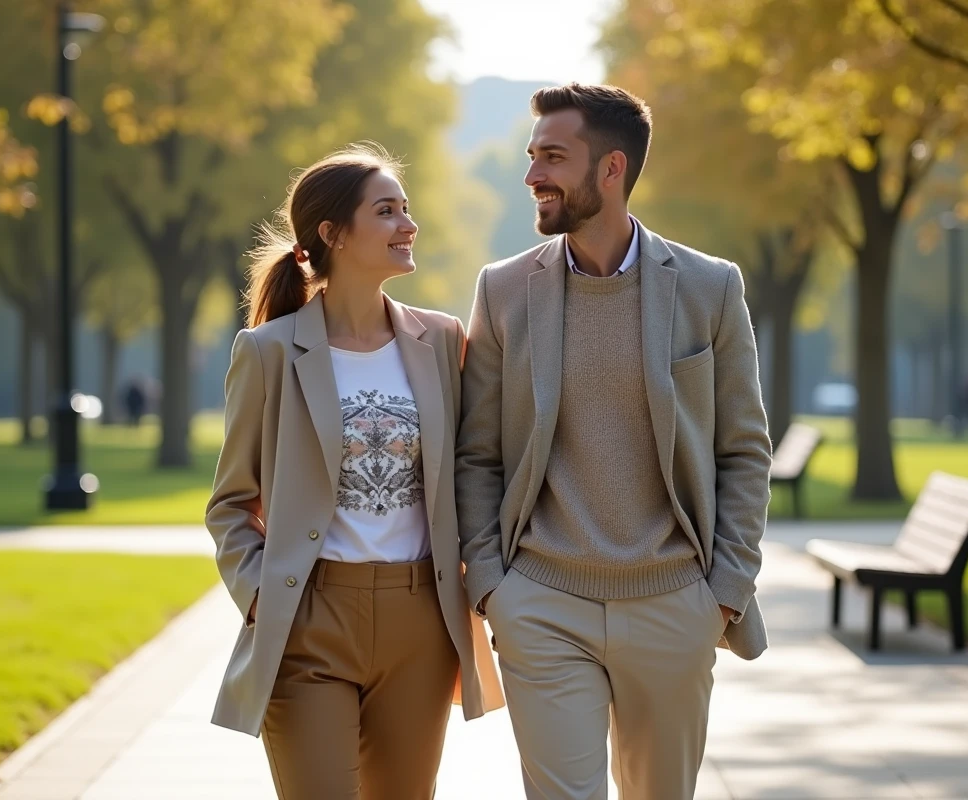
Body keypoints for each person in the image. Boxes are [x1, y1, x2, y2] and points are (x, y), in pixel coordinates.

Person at [456, 84, 773, 799]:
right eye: (533, 156)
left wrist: (724, 591)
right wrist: (492, 586)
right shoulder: (503, 290)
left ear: (611, 169)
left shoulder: (708, 287)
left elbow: (744, 451)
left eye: (553, 157)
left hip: (675, 605)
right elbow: (478, 452)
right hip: (541, 603)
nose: (534, 175)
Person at [205, 143, 503, 800]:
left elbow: (477, 469)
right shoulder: (268, 353)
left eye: (407, 208)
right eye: (387, 211)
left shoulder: (443, 341)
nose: (408, 225)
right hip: (310, 620)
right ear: (333, 234)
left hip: (420, 623)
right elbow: (230, 502)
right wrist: (261, 594)